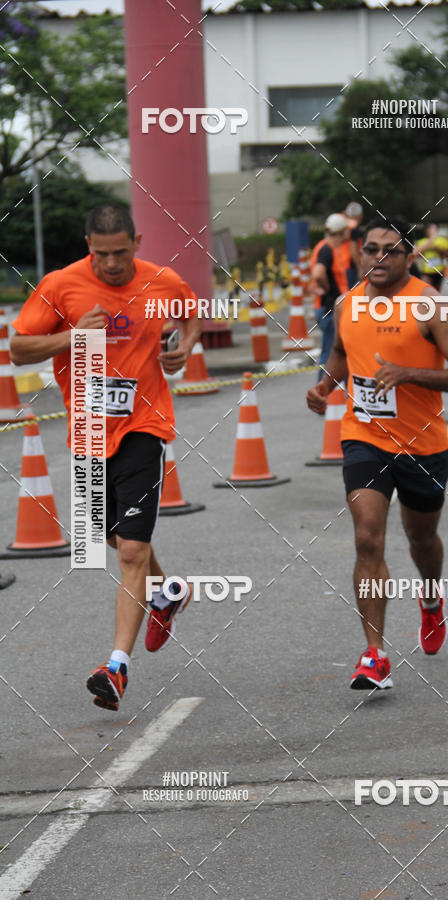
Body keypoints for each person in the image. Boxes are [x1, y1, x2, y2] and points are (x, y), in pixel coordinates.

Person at [10, 203, 203, 711]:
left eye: (121, 253)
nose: (112, 264)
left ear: (137, 242)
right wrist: (74, 336)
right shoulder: (61, 286)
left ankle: (115, 667)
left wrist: (183, 348)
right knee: (114, 537)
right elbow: (19, 349)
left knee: (131, 552)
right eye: (102, 254)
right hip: (90, 428)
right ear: (87, 245)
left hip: (144, 424)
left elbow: (191, 313)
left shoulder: (162, 281)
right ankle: (169, 593)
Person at [306, 215, 448, 690]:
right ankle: (374, 654)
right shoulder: (349, 304)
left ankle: (430, 600)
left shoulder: (430, 306)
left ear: (410, 257)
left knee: (422, 541)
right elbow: (343, 353)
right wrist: (326, 384)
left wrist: (409, 373)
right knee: (368, 537)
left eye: (390, 250)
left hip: (423, 444)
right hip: (364, 436)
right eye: (370, 249)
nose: (378, 258)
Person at [310, 213, 350, 378]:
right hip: (329, 308)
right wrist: (327, 289)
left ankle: (326, 393)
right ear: (341, 231)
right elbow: (319, 273)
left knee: (333, 352)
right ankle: (322, 393)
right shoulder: (327, 249)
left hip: (327, 307)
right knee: (329, 354)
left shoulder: (326, 247)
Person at [414, 222, 448, 290]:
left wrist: (439, 251)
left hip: (439, 271)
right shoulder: (421, 242)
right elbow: (415, 255)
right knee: (426, 291)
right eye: (430, 229)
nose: (433, 231)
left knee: (436, 294)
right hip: (426, 272)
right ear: (426, 230)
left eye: (434, 229)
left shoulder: (442, 241)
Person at [345, 201, 364, 289]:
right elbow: (353, 248)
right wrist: (359, 267)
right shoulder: (354, 229)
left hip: (342, 264)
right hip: (350, 267)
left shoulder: (343, 227)